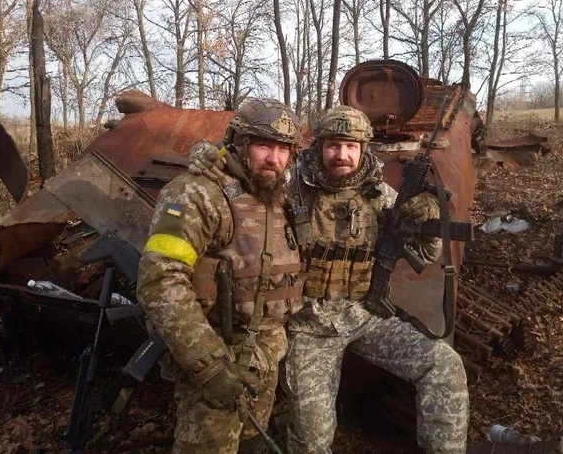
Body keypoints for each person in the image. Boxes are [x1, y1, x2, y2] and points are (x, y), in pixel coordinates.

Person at [285, 105, 468, 454]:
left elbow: (426, 254)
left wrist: (428, 218)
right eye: (333, 145)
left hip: (365, 316)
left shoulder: (379, 195)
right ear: (319, 147)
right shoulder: (290, 188)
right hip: (309, 327)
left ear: (363, 149)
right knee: (311, 441)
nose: (342, 155)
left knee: (444, 364)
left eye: (351, 146)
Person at [137, 98, 305, 454]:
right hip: (218, 354)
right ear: (238, 143)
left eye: (283, 149)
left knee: (251, 444)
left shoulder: (274, 193)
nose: (274, 159)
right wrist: (209, 365)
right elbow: (161, 280)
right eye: (264, 146)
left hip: (265, 354)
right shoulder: (197, 193)